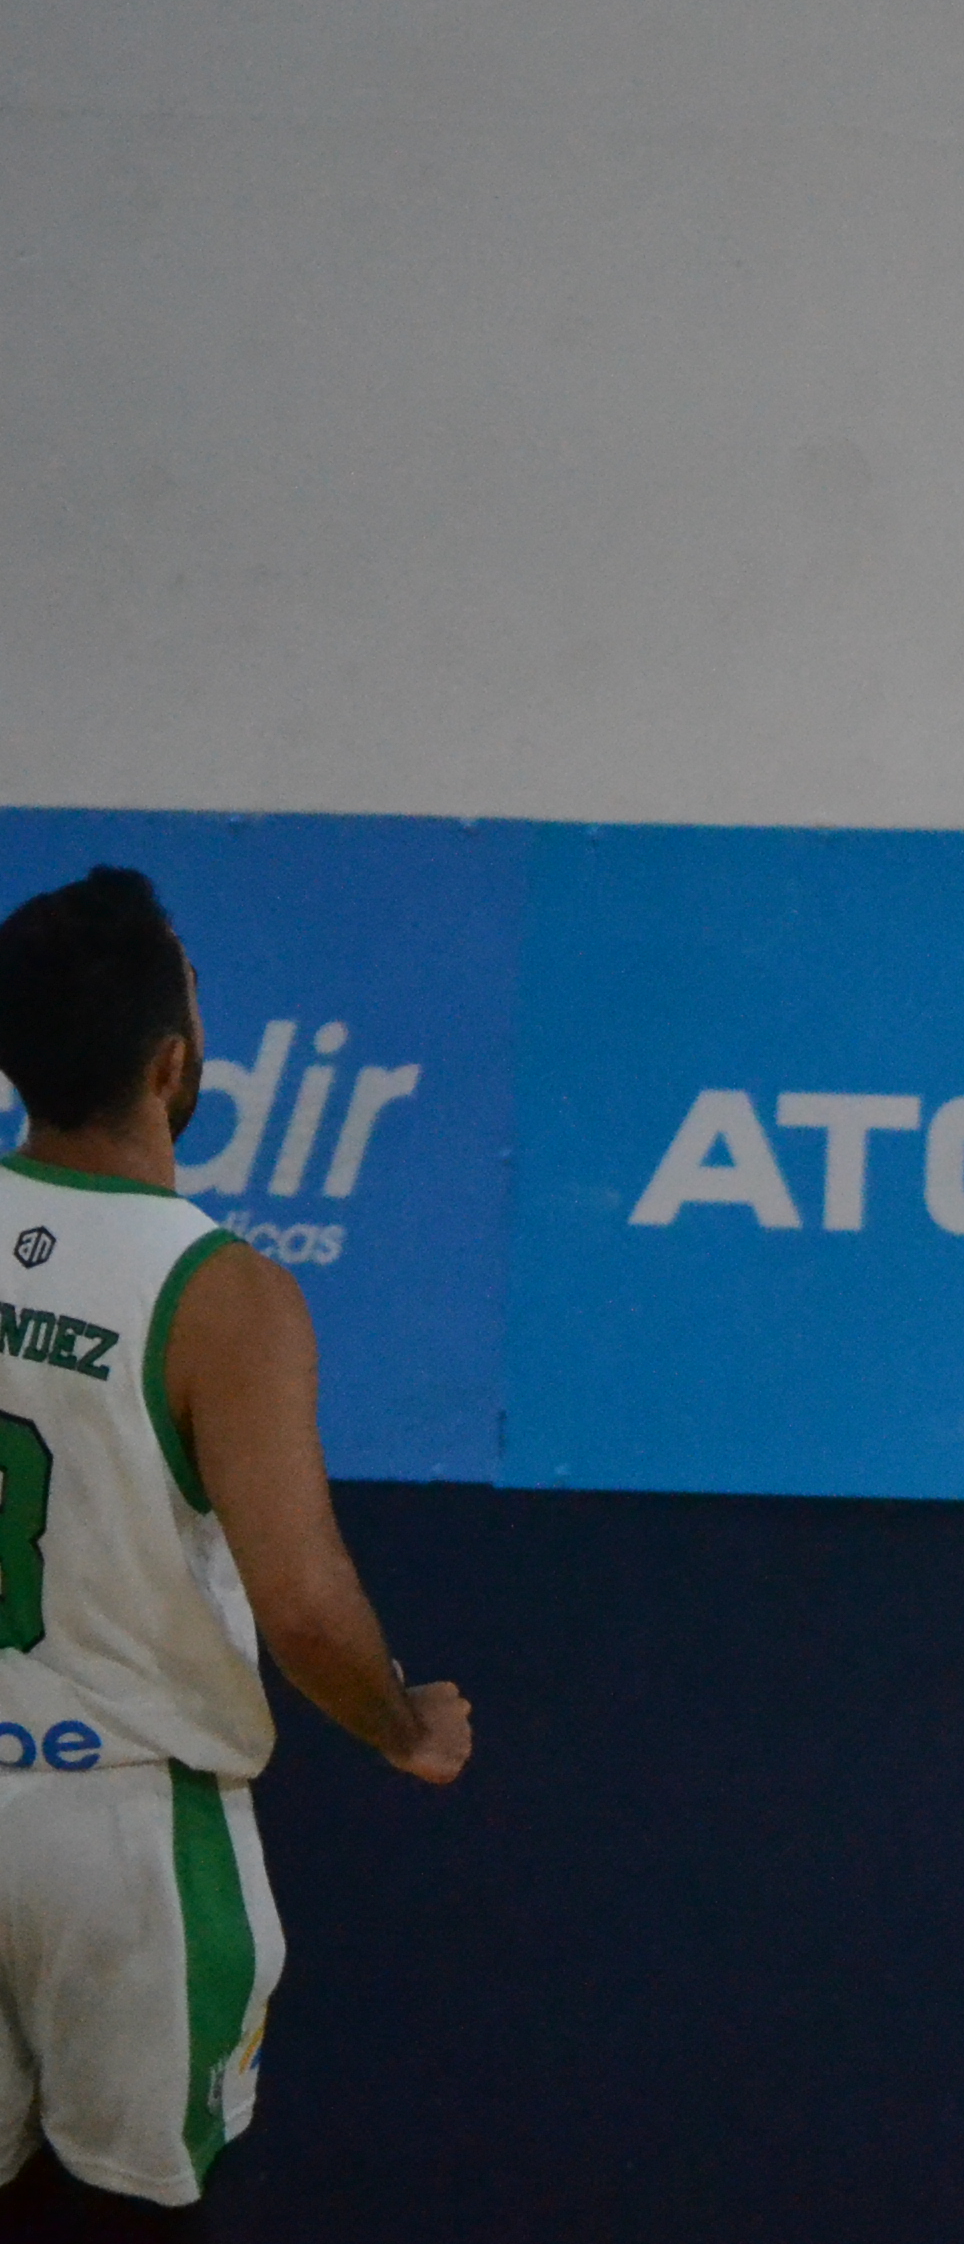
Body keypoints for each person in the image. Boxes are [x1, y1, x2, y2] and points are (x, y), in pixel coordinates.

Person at [0, 866, 472, 2230]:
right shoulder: (222, 1294)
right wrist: (403, 1726)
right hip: (124, 1833)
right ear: (174, 1062)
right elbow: (308, 1609)